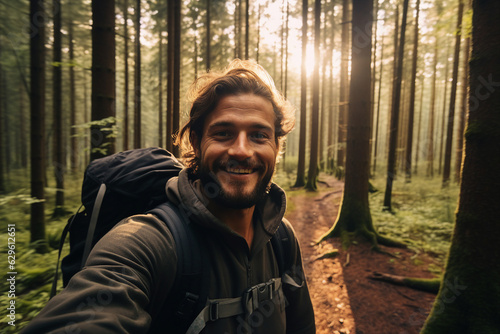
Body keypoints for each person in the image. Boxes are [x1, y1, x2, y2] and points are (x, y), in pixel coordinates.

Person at [22, 59, 315, 334]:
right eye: (223, 133)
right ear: (197, 143)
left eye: (259, 135)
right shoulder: (150, 241)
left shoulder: (282, 237)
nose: (241, 150)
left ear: (277, 147)